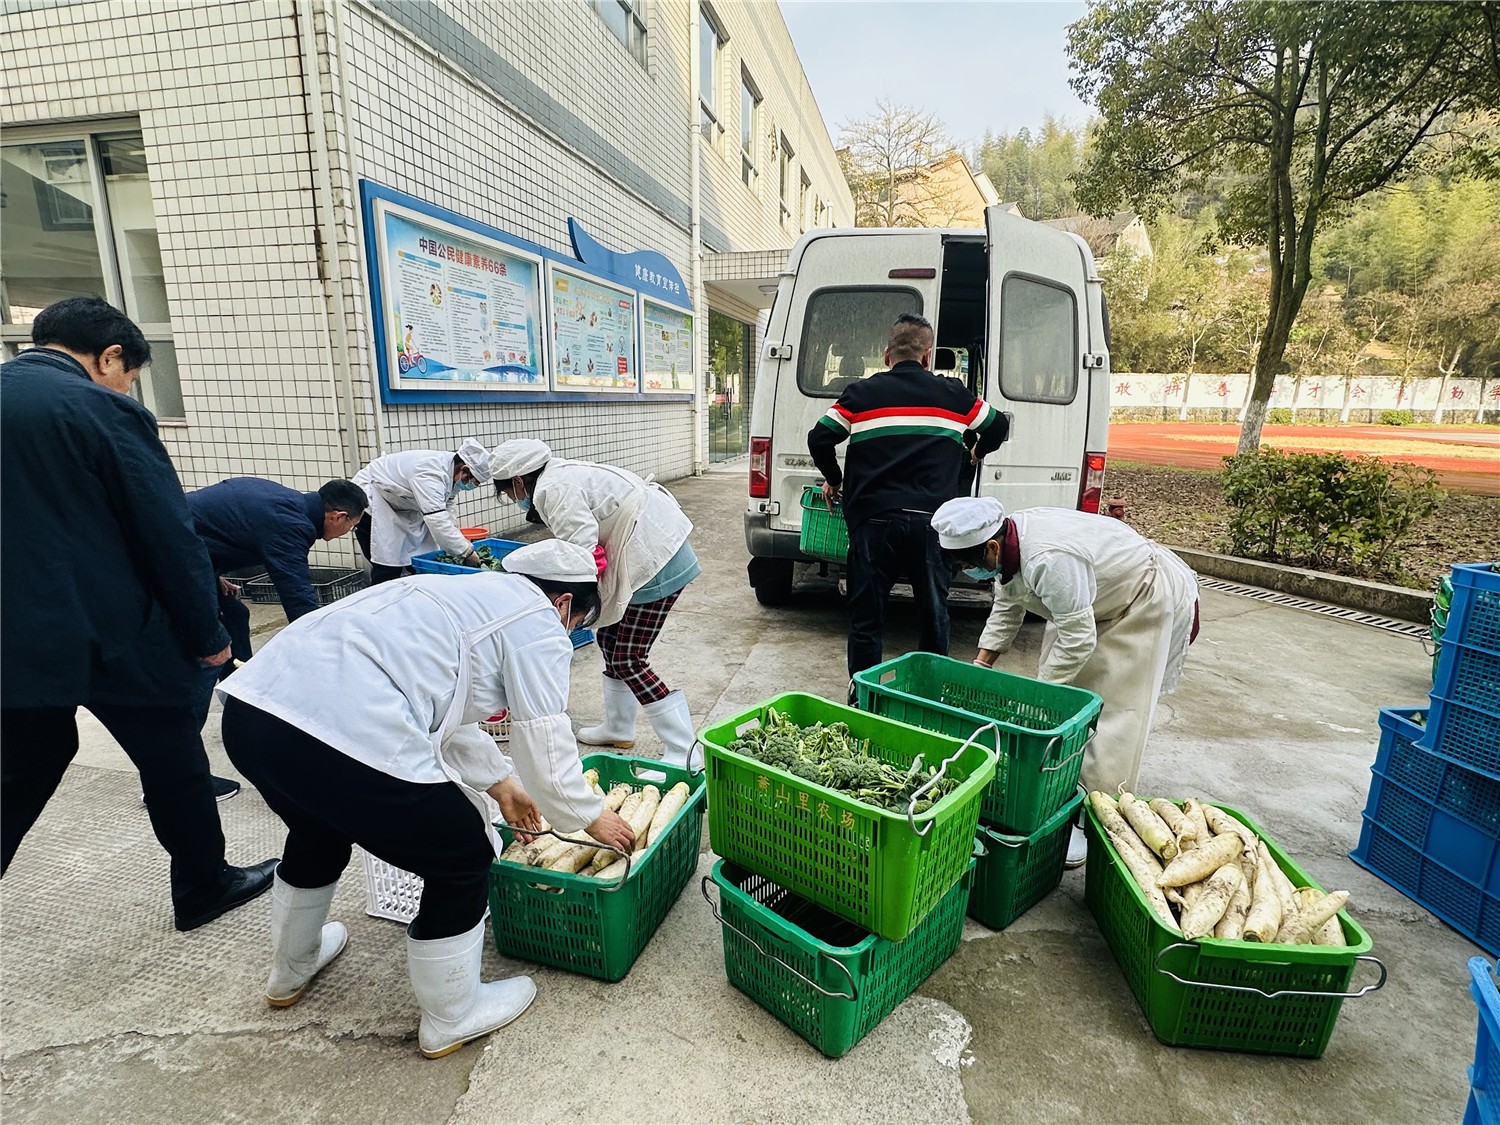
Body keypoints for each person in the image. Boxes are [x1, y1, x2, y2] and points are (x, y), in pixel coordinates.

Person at [216, 540, 633, 1058]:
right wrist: (589, 815)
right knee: (462, 855)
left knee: (318, 832)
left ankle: (290, 970)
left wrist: (501, 783)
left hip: (254, 713)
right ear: (564, 602)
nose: (568, 634)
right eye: (576, 625)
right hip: (337, 731)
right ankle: (453, 1015)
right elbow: (544, 734)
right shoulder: (539, 619)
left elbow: (444, 713)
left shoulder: (460, 594)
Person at [0, 296, 277, 930]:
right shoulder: (101, 410)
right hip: (111, 631)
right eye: (129, 374)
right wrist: (208, 633)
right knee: (172, 755)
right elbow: (168, 535)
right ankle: (204, 886)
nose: (127, 386)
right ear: (109, 356)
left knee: (23, 768)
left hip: (12, 636)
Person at [932, 496, 1201, 866]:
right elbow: (1009, 602)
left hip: (1139, 601)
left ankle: (1097, 821)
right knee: (1065, 701)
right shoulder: (1009, 545)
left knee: (1113, 715)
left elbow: (1078, 639)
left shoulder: (1049, 559)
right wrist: (981, 665)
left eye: (969, 564)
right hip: (1090, 605)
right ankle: (1060, 794)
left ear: (992, 546)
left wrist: (1040, 693)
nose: (970, 571)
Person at [806, 313, 1010, 686]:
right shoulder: (954, 395)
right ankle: (927, 696)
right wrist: (976, 452)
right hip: (933, 525)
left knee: (867, 619)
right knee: (933, 614)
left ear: (887, 356)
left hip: (874, 522)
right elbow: (999, 425)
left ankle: (863, 696)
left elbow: (819, 439)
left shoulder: (860, 394)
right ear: (927, 357)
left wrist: (835, 480)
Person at [490, 439, 701, 768]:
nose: (512, 499)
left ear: (518, 481)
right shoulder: (556, 475)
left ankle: (686, 750)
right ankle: (619, 727)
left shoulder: (552, 490)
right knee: (608, 637)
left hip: (658, 562)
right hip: (651, 546)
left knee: (629, 658)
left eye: (507, 493)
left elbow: (579, 551)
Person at [183, 476, 370, 797]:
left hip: (191, 555)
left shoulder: (290, 505)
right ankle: (182, 779)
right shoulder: (291, 525)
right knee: (207, 657)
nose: (347, 533)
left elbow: (214, 527)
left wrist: (214, 575)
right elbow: (297, 598)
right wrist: (328, 650)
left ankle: (240, 693)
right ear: (338, 516)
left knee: (235, 615)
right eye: (351, 527)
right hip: (172, 560)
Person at [352, 441, 492, 583]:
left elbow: (447, 505)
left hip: (400, 505)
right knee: (388, 565)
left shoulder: (451, 471)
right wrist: (467, 552)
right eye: (476, 481)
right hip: (374, 502)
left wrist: (457, 538)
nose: (475, 485)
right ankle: (383, 594)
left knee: (415, 557)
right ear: (465, 470)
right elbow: (438, 520)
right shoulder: (429, 473)